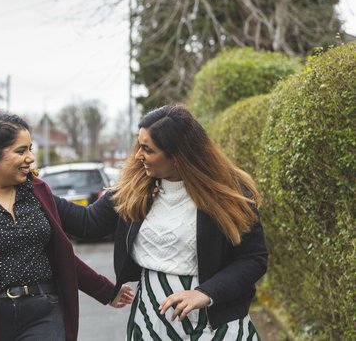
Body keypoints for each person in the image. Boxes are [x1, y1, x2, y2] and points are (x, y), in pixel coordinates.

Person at [55, 104, 268, 340]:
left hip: (217, 322)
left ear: (177, 156)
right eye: (139, 145)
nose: (138, 155)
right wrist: (34, 188)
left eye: (147, 149)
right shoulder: (135, 188)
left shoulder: (227, 192)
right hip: (152, 318)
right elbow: (88, 223)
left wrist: (205, 293)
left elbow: (253, 258)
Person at [0, 112, 133, 341]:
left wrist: (131, 184)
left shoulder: (38, 192)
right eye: (21, 151)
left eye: (30, 149)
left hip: (43, 312)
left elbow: (73, 240)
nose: (31, 157)